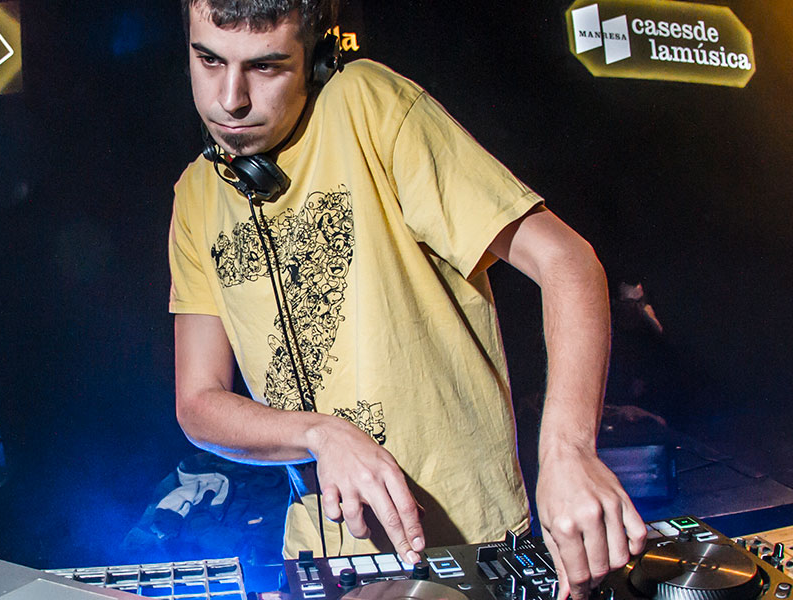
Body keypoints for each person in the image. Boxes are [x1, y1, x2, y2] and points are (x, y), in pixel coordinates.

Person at [166, 2, 647, 598]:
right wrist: (320, 434)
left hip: (468, 549)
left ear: (317, 61)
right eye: (209, 60)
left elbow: (566, 261)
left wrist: (568, 452)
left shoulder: (370, 106)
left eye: (266, 67)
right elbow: (199, 402)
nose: (229, 100)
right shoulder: (196, 195)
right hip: (320, 561)